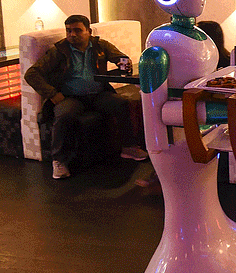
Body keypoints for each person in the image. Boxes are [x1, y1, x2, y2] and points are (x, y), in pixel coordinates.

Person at [24, 14, 148, 179]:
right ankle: (59, 160)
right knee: (63, 115)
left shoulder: (100, 46)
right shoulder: (59, 51)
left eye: (77, 30)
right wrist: (52, 94)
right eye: (68, 31)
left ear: (88, 31)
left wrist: (121, 62)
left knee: (122, 104)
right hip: (70, 97)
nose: (72, 35)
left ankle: (128, 147)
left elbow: (120, 57)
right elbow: (32, 74)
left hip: (98, 94)